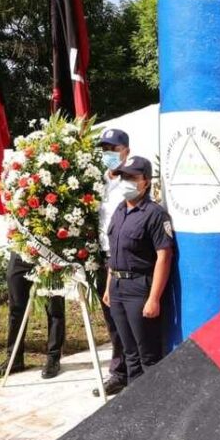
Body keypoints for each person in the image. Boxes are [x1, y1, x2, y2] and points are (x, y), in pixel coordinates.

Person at [98, 156, 174, 396]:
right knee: (128, 350)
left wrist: (154, 298)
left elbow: (164, 257)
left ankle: (153, 405)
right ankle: (134, 402)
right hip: (118, 287)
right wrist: (110, 286)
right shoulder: (120, 210)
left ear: (146, 182)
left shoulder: (155, 214)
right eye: (123, 176)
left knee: (147, 353)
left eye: (132, 177)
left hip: (139, 288)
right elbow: (114, 253)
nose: (126, 181)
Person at [92, 128, 129, 395]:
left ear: (126, 150)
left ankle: (128, 370)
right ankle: (119, 370)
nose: (109, 155)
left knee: (125, 317)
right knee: (111, 318)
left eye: (113, 149)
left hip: (123, 258)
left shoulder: (130, 182)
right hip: (102, 257)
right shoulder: (98, 182)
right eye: (105, 149)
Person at [0, 251, 66, 380]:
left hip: (49, 254)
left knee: (54, 309)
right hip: (21, 254)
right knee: (16, 310)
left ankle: (53, 358)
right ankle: (14, 358)